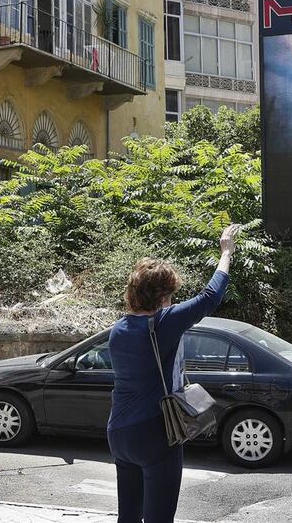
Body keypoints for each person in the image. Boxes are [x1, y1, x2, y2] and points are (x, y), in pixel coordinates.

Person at [107, 224, 240, 522]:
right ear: (163, 295)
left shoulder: (118, 329)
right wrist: (226, 252)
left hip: (119, 432)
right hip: (154, 433)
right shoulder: (164, 322)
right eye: (171, 294)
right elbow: (210, 296)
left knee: (128, 516)